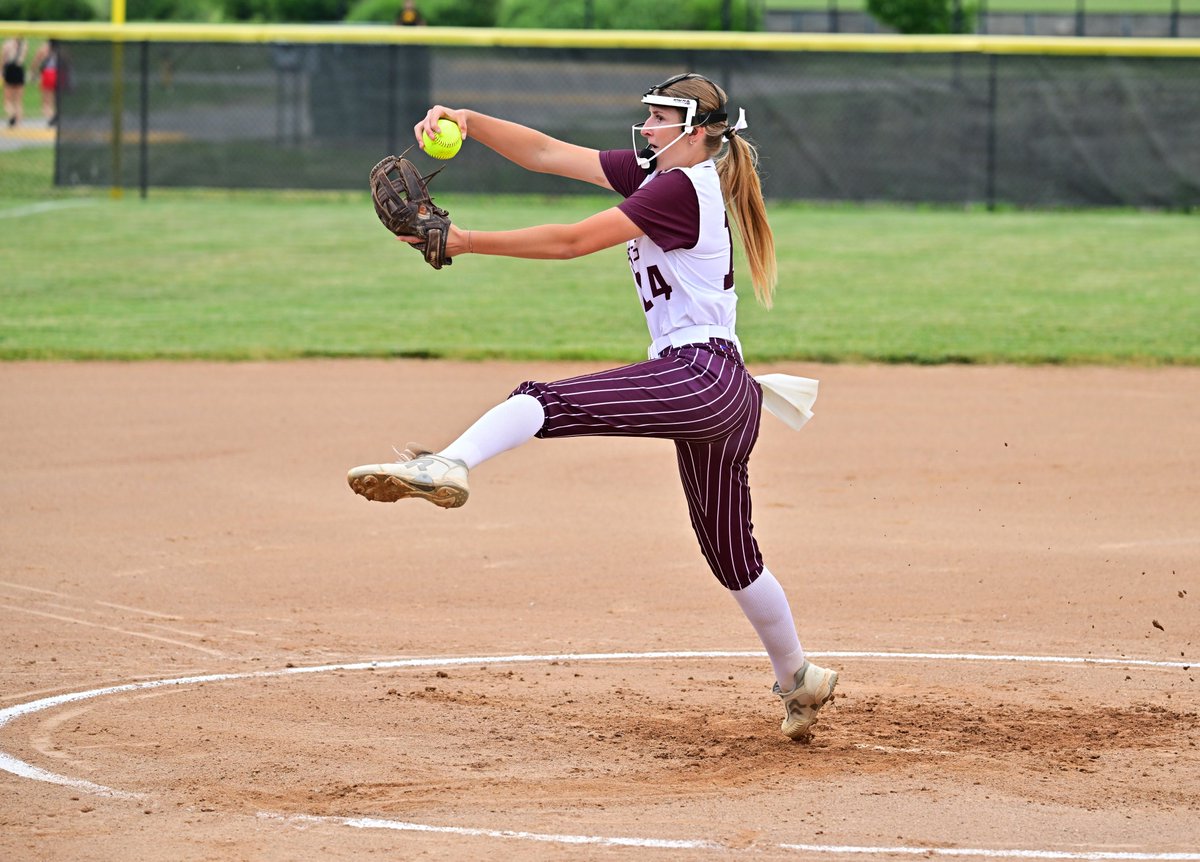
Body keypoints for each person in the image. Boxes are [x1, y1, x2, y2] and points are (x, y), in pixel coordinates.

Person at [347, 72, 838, 741]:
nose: (648, 127)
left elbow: (573, 241)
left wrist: (463, 240)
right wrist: (468, 117)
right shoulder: (661, 176)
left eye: (662, 118)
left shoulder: (678, 188)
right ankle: (799, 680)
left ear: (695, 132)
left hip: (700, 375)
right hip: (720, 389)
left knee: (544, 400)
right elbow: (548, 154)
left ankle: (451, 463)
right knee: (731, 556)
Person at [2, 36, 27, 128]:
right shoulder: (24, 44)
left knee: (8, 99)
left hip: (10, 69)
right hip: (19, 69)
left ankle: (11, 114)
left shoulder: (7, 44)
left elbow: (3, 58)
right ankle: (18, 122)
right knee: (18, 100)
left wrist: (1, 71)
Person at [32, 39, 58, 126]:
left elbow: (36, 61)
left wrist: (33, 72)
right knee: (54, 99)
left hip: (48, 73)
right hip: (57, 73)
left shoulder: (43, 48)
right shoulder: (60, 49)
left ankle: (51, 117)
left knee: (46, 101)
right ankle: (54, 115)